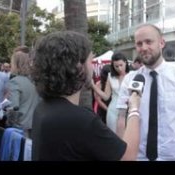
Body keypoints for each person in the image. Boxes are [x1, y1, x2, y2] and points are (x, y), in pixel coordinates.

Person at [31, 31, 140, 161]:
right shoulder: (80, 120)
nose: (93, 67)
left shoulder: (42, 108)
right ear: (78, 66)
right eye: (90, 60)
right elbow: (128, 157)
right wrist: (134, 109)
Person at [116, 24, 175, 161]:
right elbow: (121, 120)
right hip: (138, 157)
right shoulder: (130, 79)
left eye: (149, 42)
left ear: (162, 43)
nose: (144, 48)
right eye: (139, 44)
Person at [92, 52, 130, 133]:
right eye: (116, 66)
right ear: (112, 66)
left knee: (127, 136)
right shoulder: (110, 76)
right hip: (113, 111)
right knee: (114, 136)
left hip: (128, 110)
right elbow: (106, 96)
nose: (119, 68)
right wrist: (93, 86)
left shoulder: (132, 75)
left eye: (121, 65)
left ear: (125, 63)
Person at [7, 51, 41, 138]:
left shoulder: (15, 82)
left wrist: (9, 122)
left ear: (15, 64)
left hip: (21, 126)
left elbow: (14, 107)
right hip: (36, 123)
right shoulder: (36, 81)